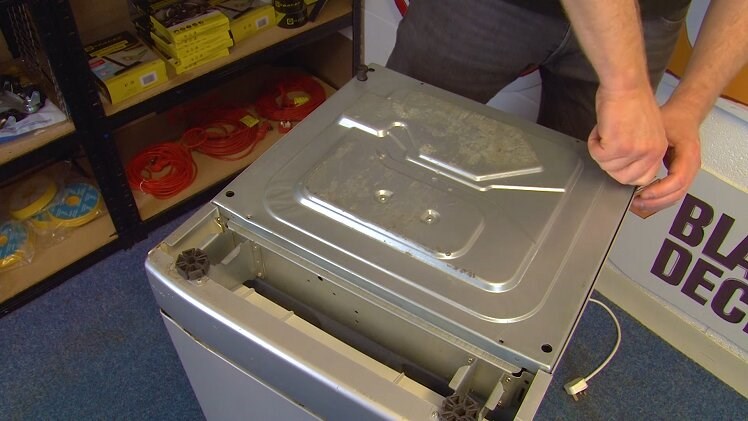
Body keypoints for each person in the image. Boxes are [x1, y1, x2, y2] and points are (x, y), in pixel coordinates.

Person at [387, 0, 748, 214]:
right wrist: (626, 85)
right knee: (393, 148)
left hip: (650, 16)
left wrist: (690, 106)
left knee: (570, 208)